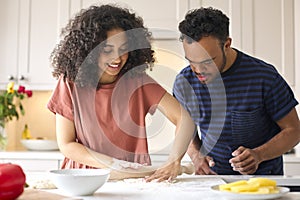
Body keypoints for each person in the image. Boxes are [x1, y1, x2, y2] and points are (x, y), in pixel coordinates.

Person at [47, 4, 195, 181]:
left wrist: (174, 160)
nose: (118, 59)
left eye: (123, 49)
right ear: (89, 50)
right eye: (107, 50)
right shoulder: (70, 83)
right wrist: (110, 163)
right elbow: (67, 144)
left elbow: (185, 119)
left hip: (131, 179)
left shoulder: (137, 82)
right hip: (84, 177)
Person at [172, 7, 300, 175]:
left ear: (227, 44)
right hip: (213, 181)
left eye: (207, 62)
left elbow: (294, 131)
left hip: (263, 183)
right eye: (191, 62)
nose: (198, 70)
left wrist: (259, 155)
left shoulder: (265, 77)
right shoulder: (185, 82)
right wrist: (196, 155)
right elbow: (184, 128)